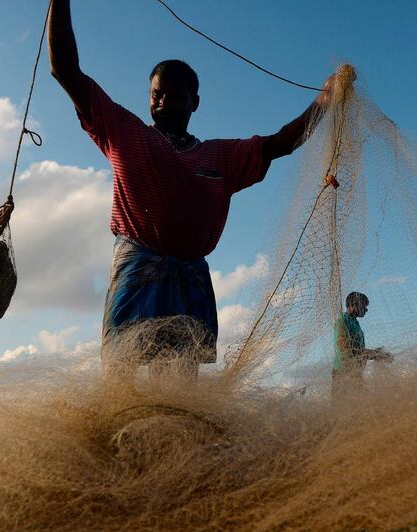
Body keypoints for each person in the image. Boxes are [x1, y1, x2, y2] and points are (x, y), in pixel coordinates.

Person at [48, 0, 335, 381]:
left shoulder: (222, 156)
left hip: (190, 277)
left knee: (180, 384)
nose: (163, 102)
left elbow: (281, 143)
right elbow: (65, 70)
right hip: (137, 267)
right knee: (120, 374)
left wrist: (326, 100)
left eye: (175, 96)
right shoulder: (123, 131)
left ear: (195, 103)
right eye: (156, 95)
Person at [332, 292, 392, 399]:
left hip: (355, 372)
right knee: (343, 407)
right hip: (343, 372)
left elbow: (359, 350)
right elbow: (343, 347)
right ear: (354, 305)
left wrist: (375, 353)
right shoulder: (342, 321)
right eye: (364, 306)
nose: (366, 309)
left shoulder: (355, 322)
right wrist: (374, 354)